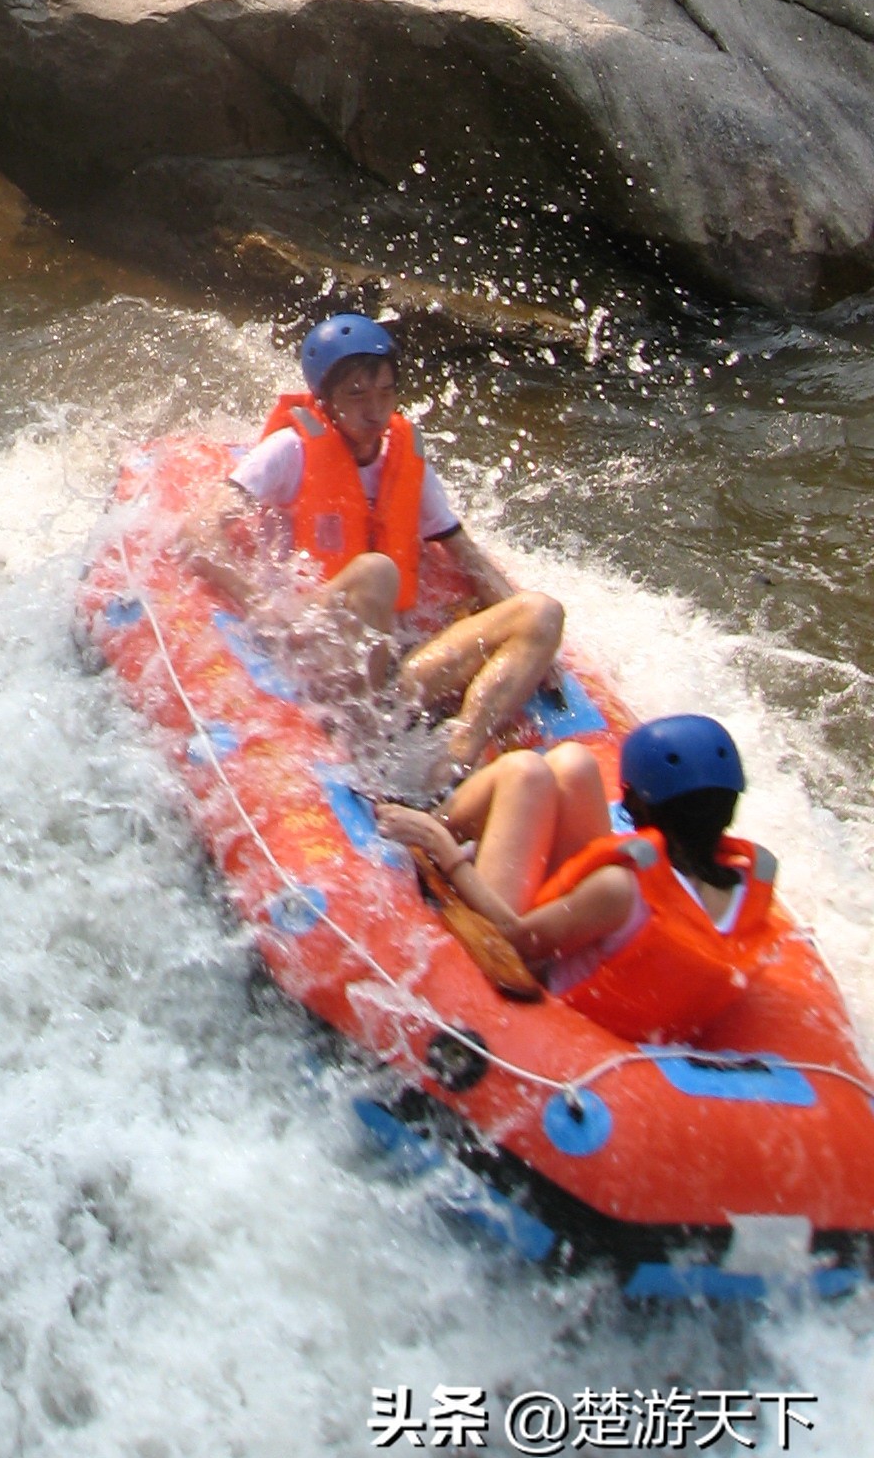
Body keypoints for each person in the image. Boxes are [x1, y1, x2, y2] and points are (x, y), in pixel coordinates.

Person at [179, 312, 567, 785]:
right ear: (324, 400)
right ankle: (361, 750)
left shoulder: (403, 459)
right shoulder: (290, 451)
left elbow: (465, 554)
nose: (375, 410)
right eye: (357, 395)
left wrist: (540, 651)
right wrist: (263, 605)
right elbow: (197, 531)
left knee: (542, 613)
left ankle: (453, 761)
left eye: (386, 392)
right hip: (323, 646)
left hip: (390, 677)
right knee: (377, 572)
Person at [377, 716, 784, 1044]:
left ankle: (431, 824)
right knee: (575, 763)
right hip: (606, 959)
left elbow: (513, 937)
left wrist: (445, 853)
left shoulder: (621, 888)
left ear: (637, 803)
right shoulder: (750, 883)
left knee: (524, 771)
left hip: (539, 973)